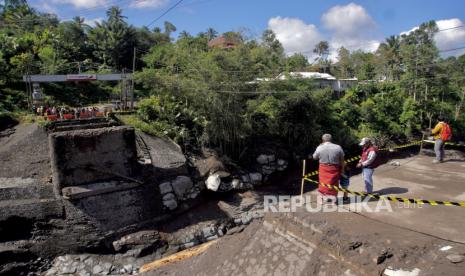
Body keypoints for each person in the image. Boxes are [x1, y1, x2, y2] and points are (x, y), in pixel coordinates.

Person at [312, 134, 345, 203]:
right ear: (331, 139)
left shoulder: (319, 147)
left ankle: (321, 200)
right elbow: (342, 160)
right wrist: (342, 170)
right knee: (334, 183)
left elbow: (314, 157)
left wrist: (319, 147)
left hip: (323, 168)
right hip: (334, 168)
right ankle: (334, 200)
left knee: (322, 184)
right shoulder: (338, 147)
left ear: (322, 140)